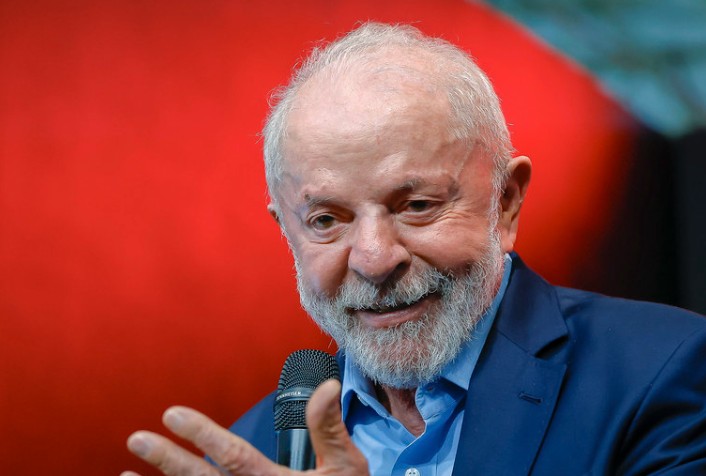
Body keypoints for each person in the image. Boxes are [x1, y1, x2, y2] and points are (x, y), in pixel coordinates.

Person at [122, 23, 706, 475]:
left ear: (505, 202)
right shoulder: (253, 454)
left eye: (416, 205)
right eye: (326, 220)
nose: (375, 260)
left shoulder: (664, 372)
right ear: (287, 231)